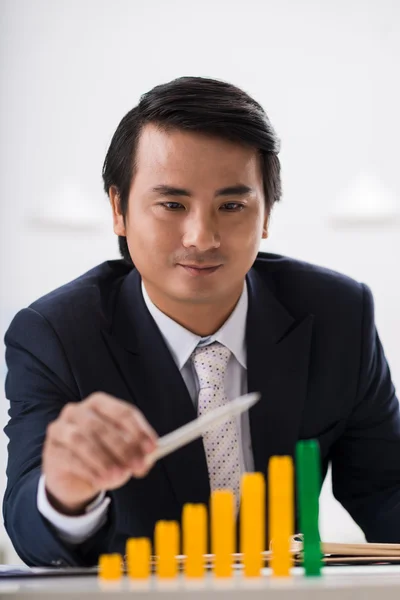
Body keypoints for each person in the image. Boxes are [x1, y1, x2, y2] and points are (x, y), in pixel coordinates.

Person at [3, 76, 400, 568]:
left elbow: (386, 489)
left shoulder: (339, 313)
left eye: (231, 206)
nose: (201, 237)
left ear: (267, 216)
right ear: (118, 209)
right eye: (172, 204)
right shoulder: (56, 334)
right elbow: (30, 529)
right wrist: (65, 492)